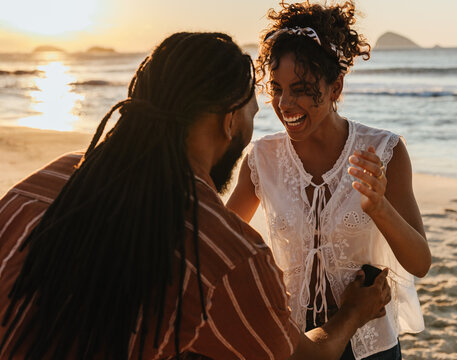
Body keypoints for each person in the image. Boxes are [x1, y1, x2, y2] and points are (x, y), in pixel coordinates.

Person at [0, 32, 391, 360]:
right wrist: (354, 312)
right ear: (229, 123)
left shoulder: (47, 181)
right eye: (253, 115)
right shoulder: (225, 256)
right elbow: (301, 359)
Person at [226, 2, 432, 359]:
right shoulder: (261, 158)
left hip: (371, 347)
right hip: (295, 345)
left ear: (336, 87)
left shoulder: (384, 151)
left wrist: (379, 207)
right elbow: (223, 243)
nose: (284, 103)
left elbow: (420, 263)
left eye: (302, 88)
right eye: (276, 88)